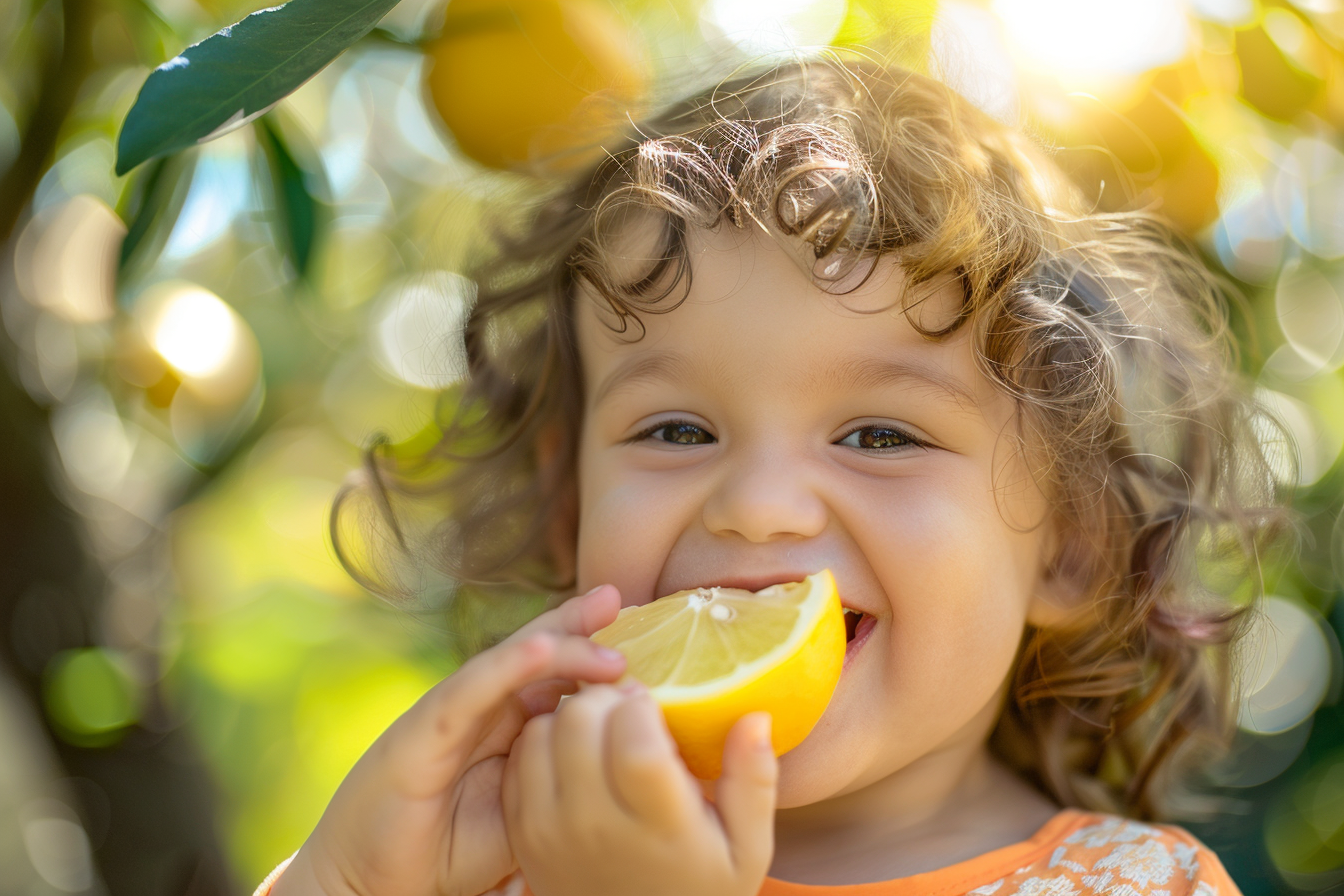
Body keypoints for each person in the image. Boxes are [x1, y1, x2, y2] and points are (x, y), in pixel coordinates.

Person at [264, 57, 1285, 896]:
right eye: (672, 427)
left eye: (881, 435)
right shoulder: (503, 860)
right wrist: (343, 876)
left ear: (1071, 541)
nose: (755, 506)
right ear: (570, 502)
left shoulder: (1137, 885)